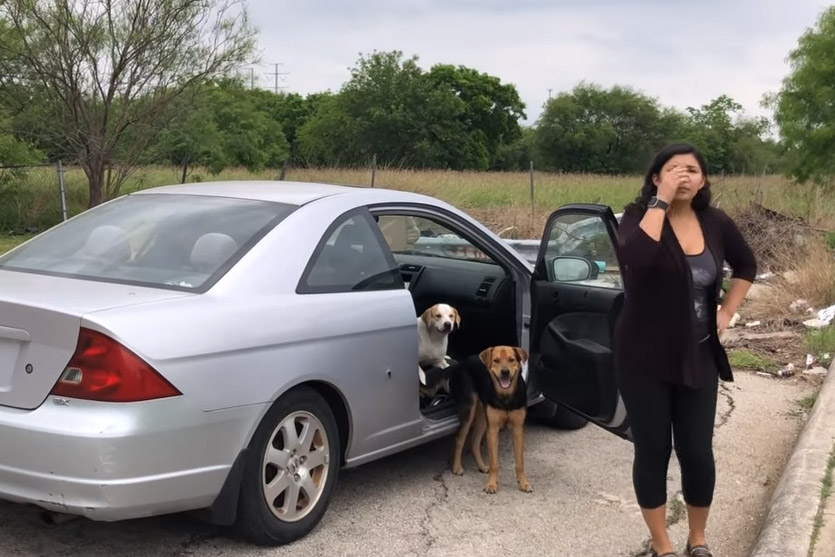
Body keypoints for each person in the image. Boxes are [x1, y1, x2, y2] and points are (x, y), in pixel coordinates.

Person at [613, 143, 757, 557]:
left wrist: (727, 310)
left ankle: (698, 540)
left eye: (692, 170)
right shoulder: (638, 217)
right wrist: (659, 205)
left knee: (696, 450)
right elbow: (636, 260)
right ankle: (663, 546)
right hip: (643, 358)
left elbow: (747, 266)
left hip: (698, 354)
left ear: (703, 180)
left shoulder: (715, 222)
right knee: (653, 449)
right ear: (655, 178)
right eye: (672, 169)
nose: (683, 175)